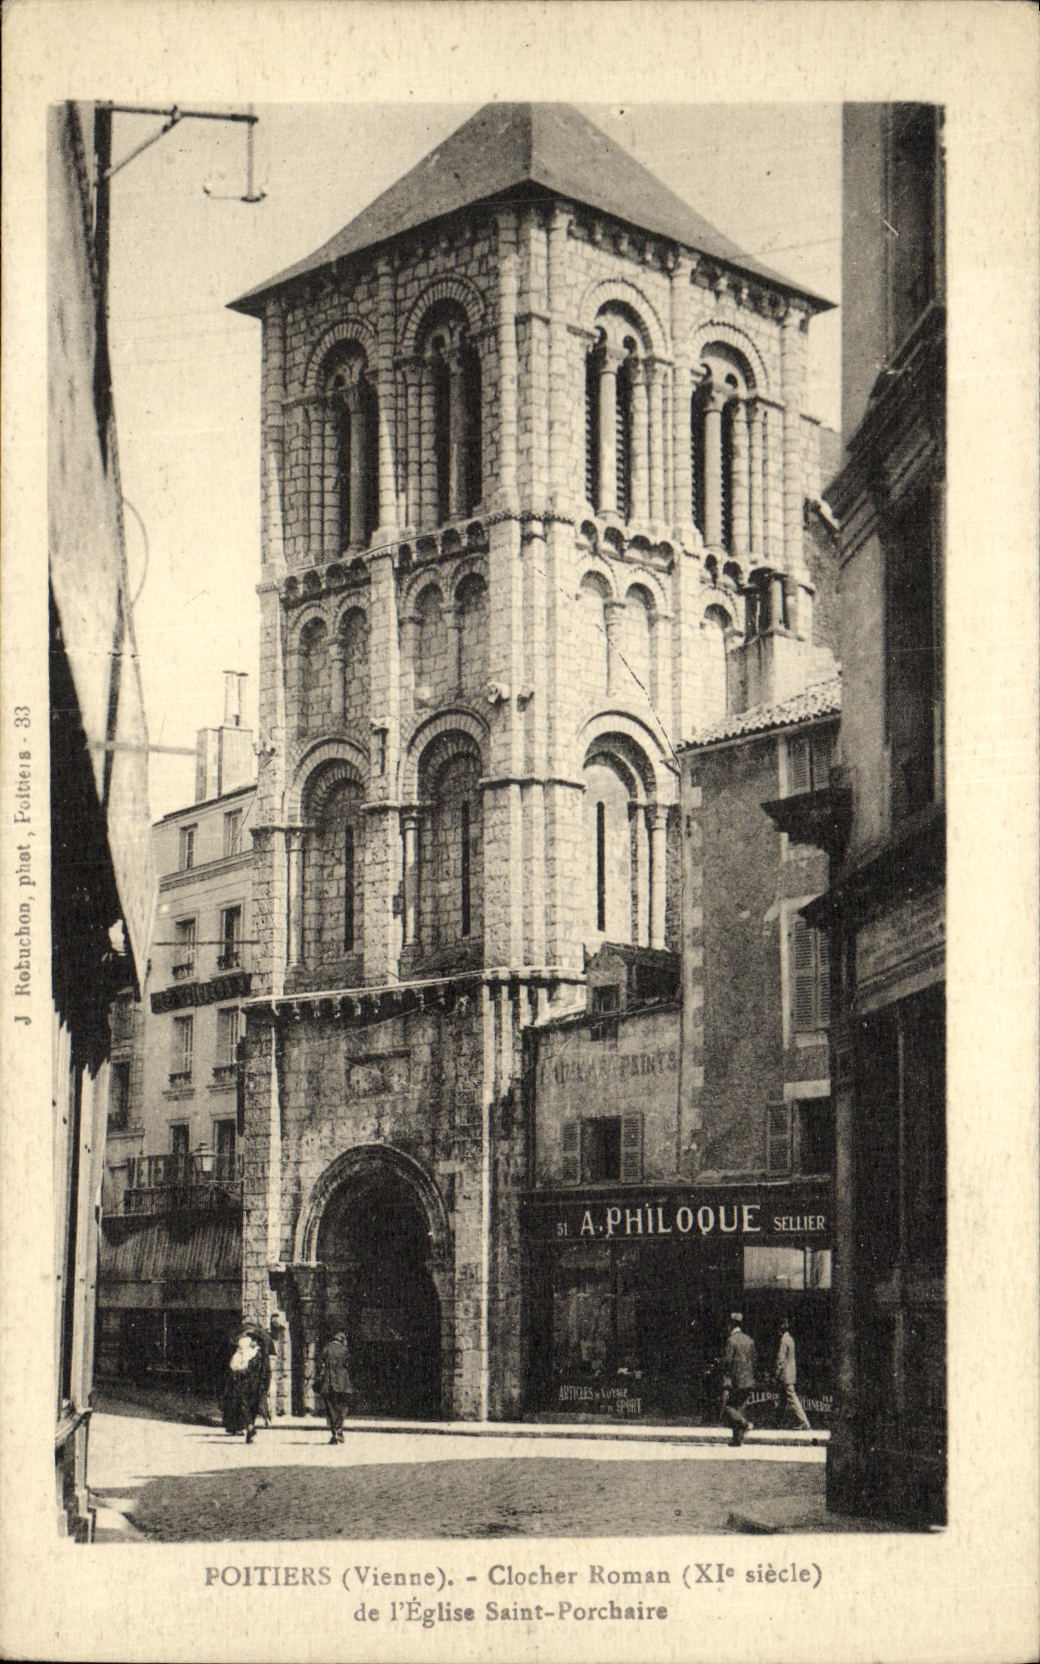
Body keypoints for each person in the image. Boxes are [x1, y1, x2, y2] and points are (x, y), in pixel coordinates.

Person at [222, 1323, 272, 1444]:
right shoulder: (246, 1353)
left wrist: (265, 1386)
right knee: (244, 1406)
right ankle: (250, 1427)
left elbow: (265, 1372)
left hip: (253, 1384)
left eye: (254, 1340)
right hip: (246, 1384)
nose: (251, 1341)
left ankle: (250, 1426)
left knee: (252, 1407)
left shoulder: (259, 1355)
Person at [720, 1312, 757, 1446]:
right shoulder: (749, 1340)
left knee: (727, 1408)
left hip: (735, 1381)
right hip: (749, 1380)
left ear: (730, 1324)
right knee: (740, 1409)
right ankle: (737, 1440)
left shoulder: (731, 1341)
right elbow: (754, 1360)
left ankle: (746, 1424)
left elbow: (726, 1362)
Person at [314, 1330, 353, 1444]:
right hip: (343, 1382)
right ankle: (339, 1430)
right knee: (342, 1407)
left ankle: (334, 1432)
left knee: (330, 1408)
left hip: (329, 1381)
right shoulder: (345, 1350)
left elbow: (318, 1363)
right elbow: (348, 1364)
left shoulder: (326, 1348)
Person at [774, 1315, 812, 1430]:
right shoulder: (790, 1339)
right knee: (783, 1398)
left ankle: (804, 1421)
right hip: (791, 1372)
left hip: (785, 1374)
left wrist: (776, 1372)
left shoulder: (783, 1340)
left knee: (791, 1396)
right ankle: (777, 1422)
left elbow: (781, 1359)